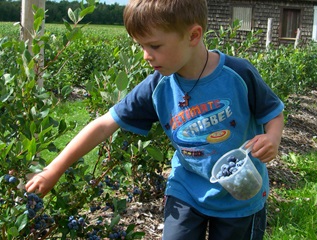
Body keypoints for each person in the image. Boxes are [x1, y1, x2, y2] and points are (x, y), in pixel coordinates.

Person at [25, 0, 285, 239]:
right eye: (141, 46)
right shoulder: (158, 87)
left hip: (241, 192)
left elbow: (272, 111)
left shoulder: (238, 74)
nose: (146, 56)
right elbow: (104, 124)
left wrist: (272, 137)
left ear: (193, 35)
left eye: (154, 46)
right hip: (186, 190)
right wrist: (54, 169)